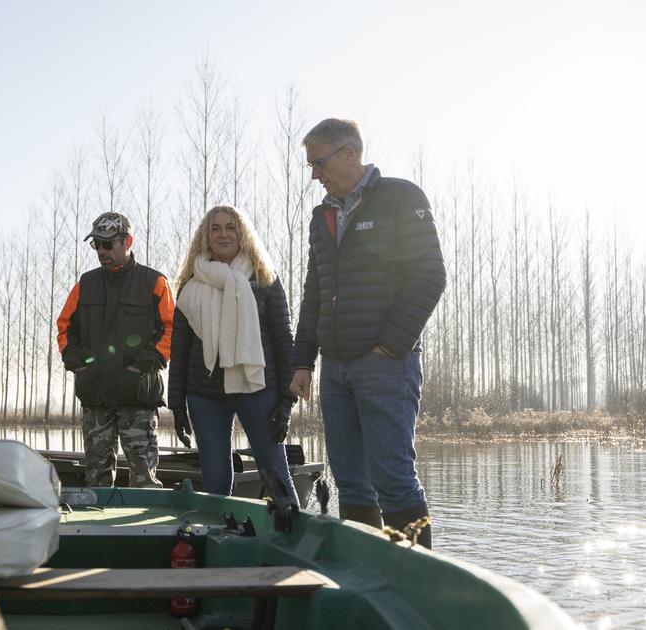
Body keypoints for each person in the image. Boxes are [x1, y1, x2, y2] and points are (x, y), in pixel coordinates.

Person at [289, 118, 445, 548]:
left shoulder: (400, 197)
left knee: (393, 480)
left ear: (349, 154)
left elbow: (430, 277)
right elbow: (314, 293)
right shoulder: (322, 217)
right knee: (352, 485)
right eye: (311, 167)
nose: (314, 174)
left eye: (318, 163)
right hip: (335, 371)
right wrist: (303, 361)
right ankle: (367, 577)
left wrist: (388, 347)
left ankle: (413, 581)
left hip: (385, 366)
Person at [168, 205, 300, 505]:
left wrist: (286, 401)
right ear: (206, 236)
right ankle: (220, 544)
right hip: (205, 394)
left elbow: (283, 340)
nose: (223, 234)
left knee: (276, 474)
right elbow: (180, 348)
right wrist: (176, 405)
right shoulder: (190, 286)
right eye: (216, 228)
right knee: (215, 481)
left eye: (231, 227)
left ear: (242, 234)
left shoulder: (264, 278)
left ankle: (291, 539)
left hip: (258, 389)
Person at [56, 211, 174, 488]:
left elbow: (172, 328)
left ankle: (144, 528)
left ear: (127, 241)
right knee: (96, 480)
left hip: (138, 398)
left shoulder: (155, 282)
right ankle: (96, 528)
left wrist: (151, 360)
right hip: (95, 397)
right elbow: (64, 327)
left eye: (107, 244)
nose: (101, 251)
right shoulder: (85, 284)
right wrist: (74, 359)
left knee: (144, 480)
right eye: (96, 244)